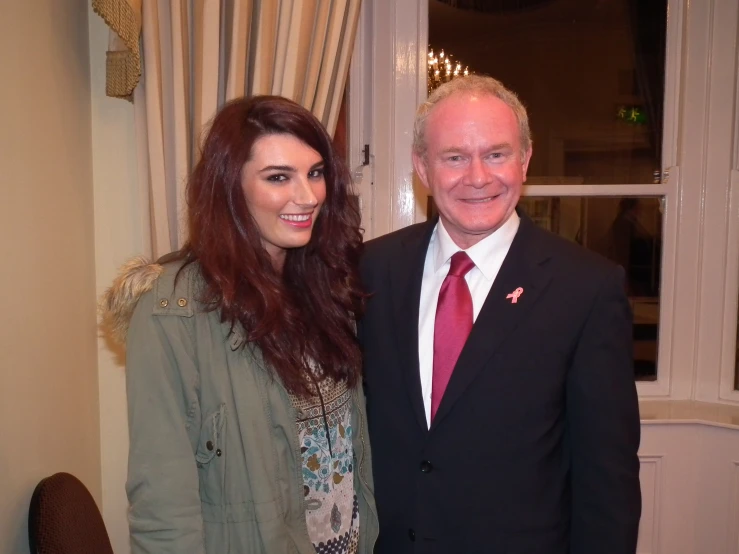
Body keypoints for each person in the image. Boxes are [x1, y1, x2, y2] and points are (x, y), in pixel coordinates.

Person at [358, 75, 641, 553]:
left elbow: (606, 478)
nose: (478, 177)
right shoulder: (369, 270)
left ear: (525, 160)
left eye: (496, 154)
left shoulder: (587, 288)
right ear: (422, 167)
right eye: (454, 157)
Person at [100, 96, 377, 554]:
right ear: (230, 186)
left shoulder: (328, 288)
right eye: (278, 177)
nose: (308, 197)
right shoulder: (173, 308)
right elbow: (162, 503)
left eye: (315, 173)